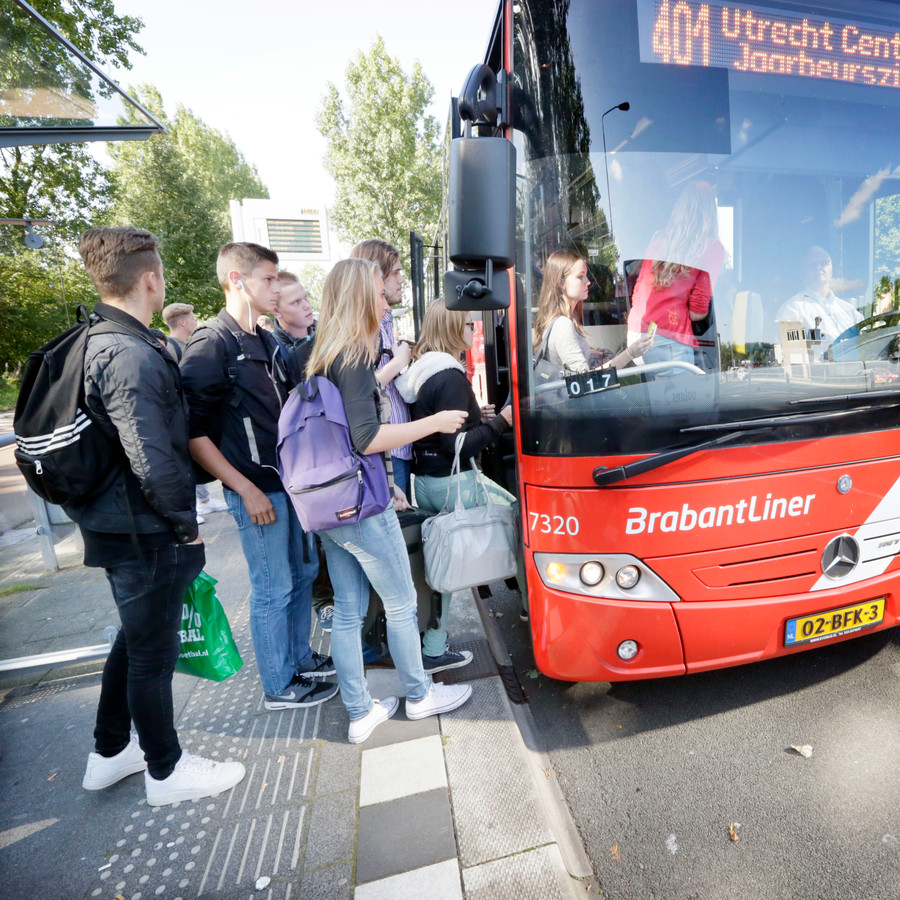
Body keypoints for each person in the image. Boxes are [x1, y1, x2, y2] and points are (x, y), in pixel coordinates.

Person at [73, 226, 245, 806]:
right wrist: (185, 525)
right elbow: (151, 456)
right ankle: (166, 771)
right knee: (152, 654)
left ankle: (108, 752)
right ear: (151, 279)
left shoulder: (98, 338)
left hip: (117, 521)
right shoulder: (129, 354)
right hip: (143, 530)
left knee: (134, 640)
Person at [305, 257, 472, 744]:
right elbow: (365, 436)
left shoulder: (321, 355)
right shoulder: (355, 356)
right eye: (380, 294)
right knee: (401, 603)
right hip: (361, 506)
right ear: (361, 296)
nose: (385, 302)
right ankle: (420, 695)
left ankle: (360, 712)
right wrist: (432, 423)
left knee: (349, 609)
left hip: (330, 504)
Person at [180, 242, 337, 711]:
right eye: (267, 279)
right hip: (257, 490)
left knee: (303, 574)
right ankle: (278, 684)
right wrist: (244, 489)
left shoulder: (265, 341)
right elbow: (192, 433)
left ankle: (300, 660)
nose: (275, 287)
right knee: (273, 586)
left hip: (290, 486)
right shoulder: (211, 344)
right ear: (236, 280)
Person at [398, 298, 528, 658]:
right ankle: (532, 610)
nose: (475, 329)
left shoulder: (424, 372)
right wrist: (501, 422)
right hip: (455, 483)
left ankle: (434, 646)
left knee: (443, 563)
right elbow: (457, 446)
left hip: (426, 483)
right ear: (454, 328)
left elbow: (440, 430)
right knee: (521, 524)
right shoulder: (450, 376)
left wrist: (476, 418)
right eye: (470, 324)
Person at [626, 181, 724, 367]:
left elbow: (638, 291)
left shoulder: (659, 239)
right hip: (668, 341)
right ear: (710, 212)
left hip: (635, 336)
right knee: (688, 385)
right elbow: (697, 312)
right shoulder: (711, 248)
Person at [350, 239, 413, 501]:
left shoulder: (384, 320)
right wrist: (398, 362)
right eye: (396, 272)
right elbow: (359, 388)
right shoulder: (360, 328)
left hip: (398, 445)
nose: (402, 279)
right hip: (383, 450)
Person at [534, 249, 653, 372]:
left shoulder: (564, 319)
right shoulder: (563, 325)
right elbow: (585, 378)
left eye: (586, 275)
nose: (588, 281)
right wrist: (630, 354)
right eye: (580, 277)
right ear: (561, 282)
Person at [161, 301, 228, 518]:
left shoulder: (186, 345)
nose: (195, 322)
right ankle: (192, 508)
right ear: (182, 322)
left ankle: (204, 501)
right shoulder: (171, 348)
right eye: (192, 319)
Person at [776, 246, 863, 359]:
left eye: (823, 263)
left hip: (857, 368)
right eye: (812, 265)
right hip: (820, 370)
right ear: (803, 274)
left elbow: (868, 340)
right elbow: (792, 357)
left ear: (831, 271)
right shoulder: (793, 308)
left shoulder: (848, 309)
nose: (819, 268)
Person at [271, 270, 316, 384]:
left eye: (305, 297)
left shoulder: (328, 335)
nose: (307, 306)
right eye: (296, 302)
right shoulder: (273, 351)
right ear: (276, 311)